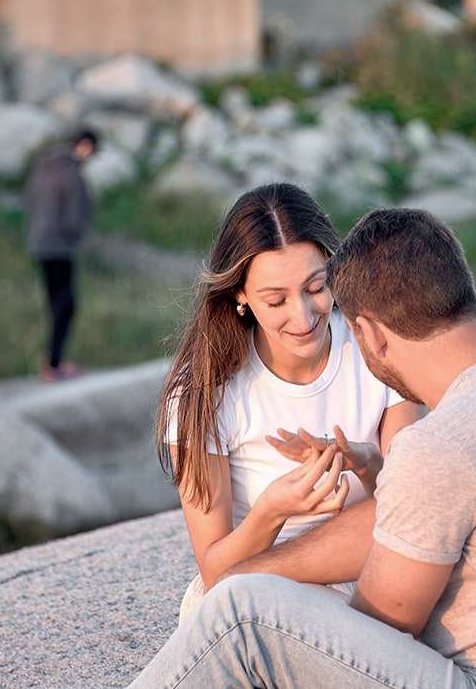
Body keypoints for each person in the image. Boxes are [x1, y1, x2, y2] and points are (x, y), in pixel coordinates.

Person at [131, 208, 476, 688]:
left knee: (240, 617)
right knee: (232, 594)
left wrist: (242, 586)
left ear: (370, 335)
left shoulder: (445, 444)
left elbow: (372, 632)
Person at [154, 183, 422, 620]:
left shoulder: (375, 345)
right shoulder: (202, 394)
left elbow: (418, 514)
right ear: (240, 295)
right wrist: (273, 510)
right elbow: (214, 570)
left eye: (316, 287)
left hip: (376, 572)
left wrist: (369, 464)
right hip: (259, 589)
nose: (303, 317)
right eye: (275, 300)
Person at [24, 129, 98, 382]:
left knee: (56, 304)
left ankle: (51, 361)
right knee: (65, 306)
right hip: (60, 246)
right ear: (85, 146)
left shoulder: (44, 167)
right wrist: (77, 236)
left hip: (39, 243)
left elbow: (29, 203)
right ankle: (53, 365)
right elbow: (73, 218)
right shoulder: (72, 174)